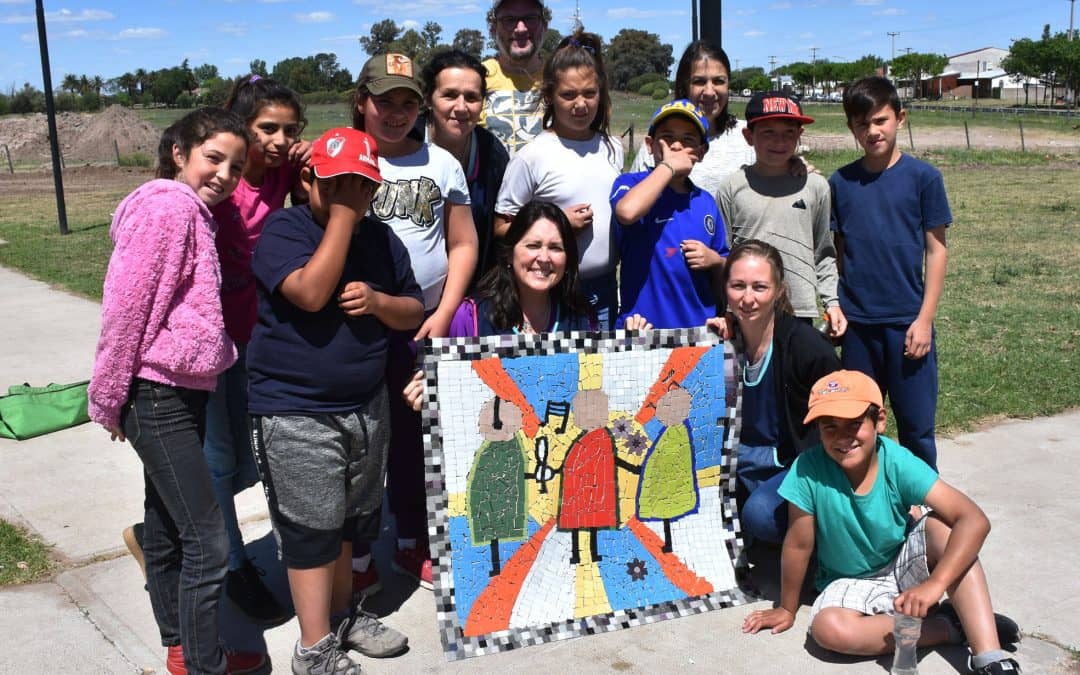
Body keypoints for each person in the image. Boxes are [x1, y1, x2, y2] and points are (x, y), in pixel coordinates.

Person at [88, 107, 267, 675]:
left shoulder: (193, 212)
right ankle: (202, 662)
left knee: (165, 527)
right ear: (180, 153)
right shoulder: (170, 209)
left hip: (178, 391)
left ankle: (183, 647)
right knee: (208, 541)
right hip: (155, 394)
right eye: (213, 158)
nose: (224, 174)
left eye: (235, 167)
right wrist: (109, 394)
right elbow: (126, 308)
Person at [247, 128, 421, 674]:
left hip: (365, 406)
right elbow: (310, 291)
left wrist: (378, 301)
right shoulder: (284, 230)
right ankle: (313, 645)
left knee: (351, 521)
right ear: (307, 180)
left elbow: (413, 310)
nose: (352, 195)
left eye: (363, 186)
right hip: (295, 409)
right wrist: (344, 216)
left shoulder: (382, 239)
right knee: (311, 528)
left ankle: (343, 615)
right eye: (337, 183)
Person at [742, 369, 1021, 675]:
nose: (843, 437)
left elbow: (974, 519)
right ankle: (947, 626)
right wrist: (786, 607)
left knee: (946, 528)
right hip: (848, 581)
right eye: (829, 427)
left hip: (901, 562)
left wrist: (934, 585)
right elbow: (798, 544)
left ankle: (990, 657)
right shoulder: (807, 469)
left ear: (880, 421)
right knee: (829, 630)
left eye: (854, 424)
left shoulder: (897, 461)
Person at [352, 52, 478, 592]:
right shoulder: (344, 155)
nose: (397, 112)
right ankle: (353, 552)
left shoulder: (441, 163)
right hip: (354, 323)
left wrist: (446, 312)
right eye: (385, 101)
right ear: (362, 103)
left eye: (408, 102)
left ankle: (410, 539)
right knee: (360, 438)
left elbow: (464, 242)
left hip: (422, 322)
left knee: (413, 435)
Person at [202, 74, 310, 625]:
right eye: (267, 127)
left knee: (251, 458)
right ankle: (233, 565)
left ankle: (167, 528)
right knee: (221, 458)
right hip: (211, 341)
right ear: (242, 126)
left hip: (262, 335)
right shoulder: (223, 181)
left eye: (289, 130)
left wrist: (311, 156)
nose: (278, 139)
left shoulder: (288, 170)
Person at [401, 201, 650, 408]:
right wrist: (428, 389)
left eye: (555, 248)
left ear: (568, 260)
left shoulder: (583, 318)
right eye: (532, 245)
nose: (543, 258)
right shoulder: (470, 317)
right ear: (510, 254)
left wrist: (630, 354)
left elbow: (598, 396)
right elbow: (450, 387)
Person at [830, 76, 950, 470]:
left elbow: (936, 249)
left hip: (906, 323)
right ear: (851, 127)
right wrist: (839, 305)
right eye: (862, 124)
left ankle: (924, 510)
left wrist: (925, 319)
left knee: (916, 428)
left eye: (880, 120)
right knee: (858, 424)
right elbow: (838, 252)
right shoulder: (841, 182)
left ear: (901, 118)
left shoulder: (924, 178)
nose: (872, 131)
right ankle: (865, 501)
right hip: (859, 327)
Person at [706, 240, 840, 545]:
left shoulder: (808, 350)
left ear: (779, 290)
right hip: (741, 464)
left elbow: (845, 422)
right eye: (738, 286)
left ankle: (818, 546)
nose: (748, 298)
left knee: (761, 515)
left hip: (796, 465)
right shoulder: (720, 344)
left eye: (759, 287)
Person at [495, 30, 623, 329]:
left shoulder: (613, 148)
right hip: (554, 294)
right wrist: (558, 225)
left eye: (590, 93)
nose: (581, 104)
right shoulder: (533, 156)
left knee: (600, 375)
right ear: (549, 96)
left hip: (605, 292)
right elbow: (501, 227)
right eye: (568, 95)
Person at [716, 91, 846, 336]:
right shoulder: (732, 187)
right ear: (748, 136)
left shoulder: (816, 186)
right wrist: (727, 308)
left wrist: (832, 302)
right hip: (747, 308)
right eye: (768, 133)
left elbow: (824, 252)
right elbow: (724, 256)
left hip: (800, 310)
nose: (779, 142)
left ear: (800, 135)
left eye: (789, 133)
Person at [611, 99, 728, 329]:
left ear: (701, 152)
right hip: (641, 329)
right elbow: (627, 212)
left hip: (697, 331)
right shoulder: (630, 184)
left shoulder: (706, 202)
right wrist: (669, 167)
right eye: (668, 138)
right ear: (650, 144)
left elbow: (725, 265)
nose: (676, 147)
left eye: (688, 140)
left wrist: (714, 260)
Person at [421, 49, 510, 291]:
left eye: (471, 97)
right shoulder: (405, 142)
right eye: (449, 95)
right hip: (407, 298)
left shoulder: (491, 152)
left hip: (474, 294)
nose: (461, 107)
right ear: (428, 98)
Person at [629, 40, 755, 196]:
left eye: (718, 81)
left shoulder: (749, 139)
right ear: (684, 85)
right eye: (699, 81)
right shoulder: (659, 142)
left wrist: (793, 164)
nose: (709, 91)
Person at [482, 0, 549, 155]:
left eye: (530, 18)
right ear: (493, 28)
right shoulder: (476, 78)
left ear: (544, 26)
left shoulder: (561, 79)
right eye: (509, 20)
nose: (521, 29)